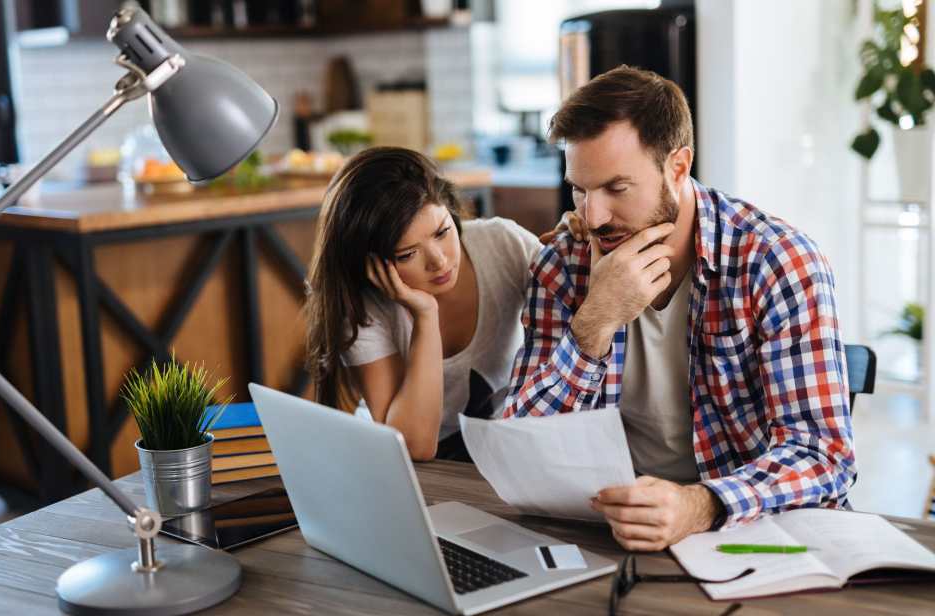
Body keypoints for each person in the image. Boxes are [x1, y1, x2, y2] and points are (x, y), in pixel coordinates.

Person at [503, 66, 856, 551]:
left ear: (678, 166)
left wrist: (700, 504)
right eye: (580, 190)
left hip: (749, 530)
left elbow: (822, 456)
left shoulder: (776, 262)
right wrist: (594, 323)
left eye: (616, 188)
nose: (594, 216)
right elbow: (519, 451)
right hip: (612, 531)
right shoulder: (562, 265)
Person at [305, 147, 543, 461]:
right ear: (371, 263)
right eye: (407, 254)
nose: (439, 261)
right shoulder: (363, 308)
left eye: (442, 232)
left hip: (498, 455)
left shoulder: (504, 245)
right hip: (404, 466)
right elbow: (413, 445)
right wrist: (425, 315)